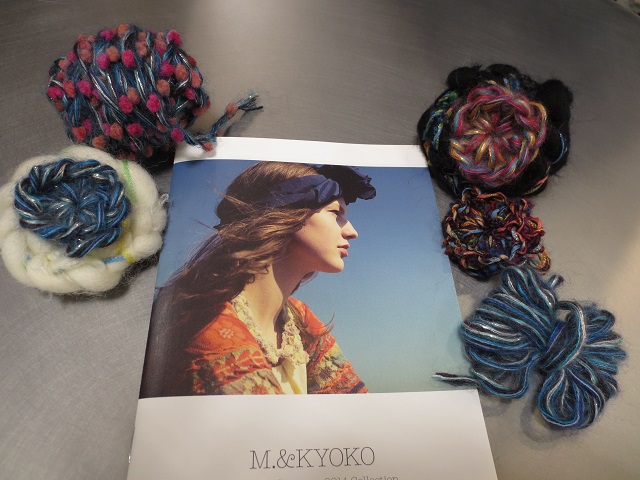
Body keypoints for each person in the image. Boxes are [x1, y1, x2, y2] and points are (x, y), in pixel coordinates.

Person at [140, 161, 376, 397]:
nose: (352, 232)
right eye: (335, 213)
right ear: (284, 212)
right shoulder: (207, 326)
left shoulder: (299, 320)